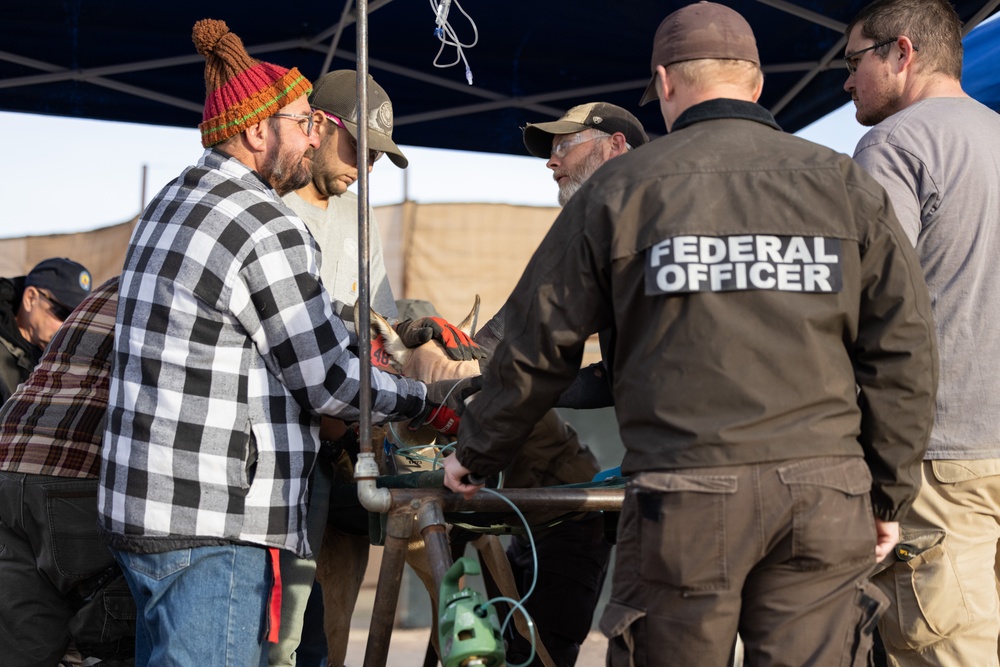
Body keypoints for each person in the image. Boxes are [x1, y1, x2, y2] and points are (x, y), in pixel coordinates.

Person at [443, 2, 939, 665]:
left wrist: (475, 449)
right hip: (825, 495)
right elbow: (904, 349)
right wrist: (886, 491)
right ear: (757, 84)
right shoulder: (842, 182)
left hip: (686, 500)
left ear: (665, 83)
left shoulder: (621, 189)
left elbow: (538, 342)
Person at [96, 19, 475, 667]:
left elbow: (325, 329)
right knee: (274, 644)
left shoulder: (172, 200)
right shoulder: (263, 220)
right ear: (255, 131)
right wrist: (422, 400)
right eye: (304, 123)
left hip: (148, 509)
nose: (310, 136)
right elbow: (328, 377)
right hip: (217, 521)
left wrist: (398, 333)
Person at [844, 1, 1000, 665]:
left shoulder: (896, 143)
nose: (846, 82)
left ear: (902, 53)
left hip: (940, 454)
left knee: (947, 649)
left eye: (854, 62)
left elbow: (867, 304)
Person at [472, 102, 648, 667]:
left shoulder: (607, 218)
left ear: (615, 145)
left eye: (563, 146)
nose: (552, 163)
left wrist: (479, 406)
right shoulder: (647, 211)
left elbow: (522, 343)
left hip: (680, 478)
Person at [272, 68, 411, 667]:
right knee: (277, 626)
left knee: (319, 636)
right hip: (279, 447)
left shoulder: (360, 216)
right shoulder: (269, 208)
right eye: (361, 149)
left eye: (380, 157)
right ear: (320, 127)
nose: (369, 169)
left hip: (342, 438)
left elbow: (379, 326)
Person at [0, 277, 134, 666]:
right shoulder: (190, 287)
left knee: (20, 646)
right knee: (111, 644)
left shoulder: (116, 284)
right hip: (75, 472)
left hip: (9, 464)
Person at [0, 257, 92, 404]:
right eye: (63, 313)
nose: (69, 326)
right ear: (31, 299)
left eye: (78, 319)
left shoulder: (66, 361)